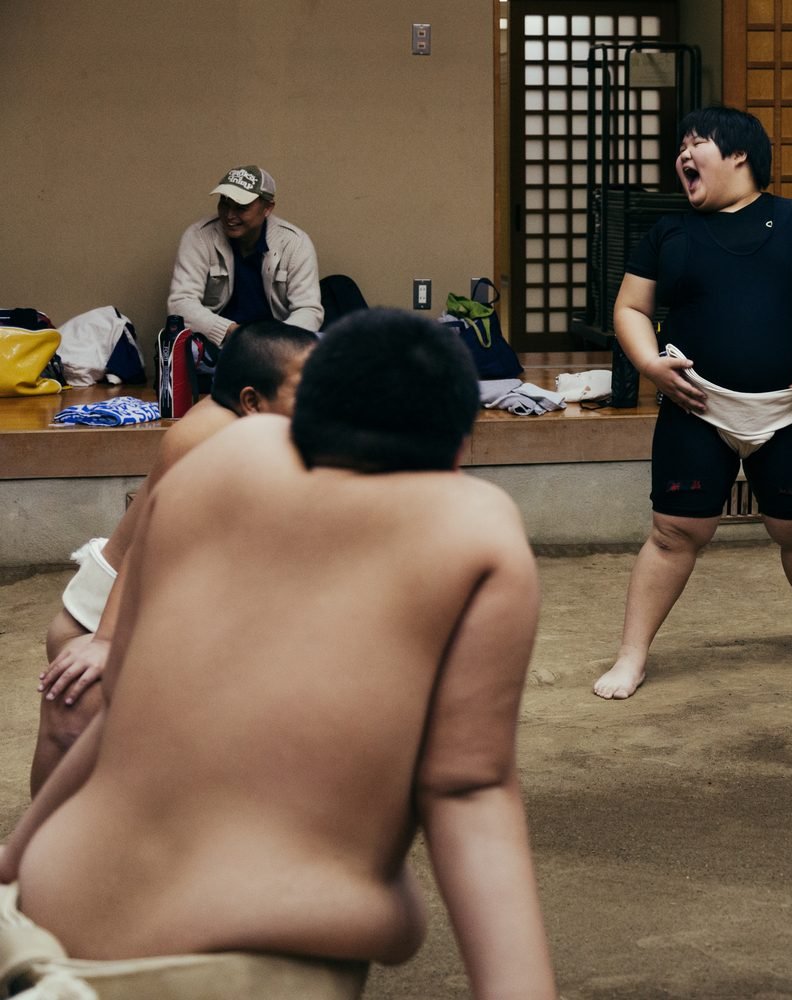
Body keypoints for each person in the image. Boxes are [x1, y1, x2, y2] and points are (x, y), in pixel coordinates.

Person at [0, 309, 555, 998]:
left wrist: (16, 859)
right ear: (459, 449)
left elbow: (124, 706)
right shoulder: (474, 521)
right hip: (235, 968)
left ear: (301, 414)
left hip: (43, 920)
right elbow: (467, 787)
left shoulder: (217, 457)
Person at [592, 106, 792, 700]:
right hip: (697, 403)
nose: (684, 155)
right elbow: (630, 308)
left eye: (696, 143)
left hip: (791, 405)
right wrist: (650, 364)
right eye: (681, 148)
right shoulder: (669, 233)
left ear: (739, 154)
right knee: (673, 533)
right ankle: (631, 657)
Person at [31, 320, 317, 794]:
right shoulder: (207, 439)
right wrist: (105, 640)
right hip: (102, 620)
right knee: (74, 730)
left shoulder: (257, 424)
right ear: (252, 400)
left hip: (157, 611)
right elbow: (149, 546)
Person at [167, 164, 324, 346]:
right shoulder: (199, 237)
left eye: (241, 207)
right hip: (217, 344)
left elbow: (308, 310)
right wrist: (232, 332)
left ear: (267, 208)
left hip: (278, 346)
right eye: (224, 203)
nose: (229, 215)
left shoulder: (295, 242)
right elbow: (180, 303)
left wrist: (275, 342)